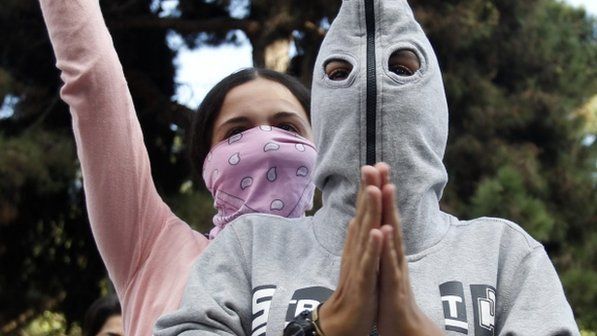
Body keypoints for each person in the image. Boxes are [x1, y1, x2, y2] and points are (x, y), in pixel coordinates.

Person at [154, 0, 580, 335]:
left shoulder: (504, 254)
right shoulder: (250, 249)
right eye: (339, 73)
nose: (369, 87)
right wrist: (324, 329)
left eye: (402, 68)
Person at [38, 1, 316, 335]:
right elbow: (93, 80)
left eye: (287, 128)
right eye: (237, 132)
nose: (266, 141)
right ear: (206, 161)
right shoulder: (154, 248)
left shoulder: (357, 264)